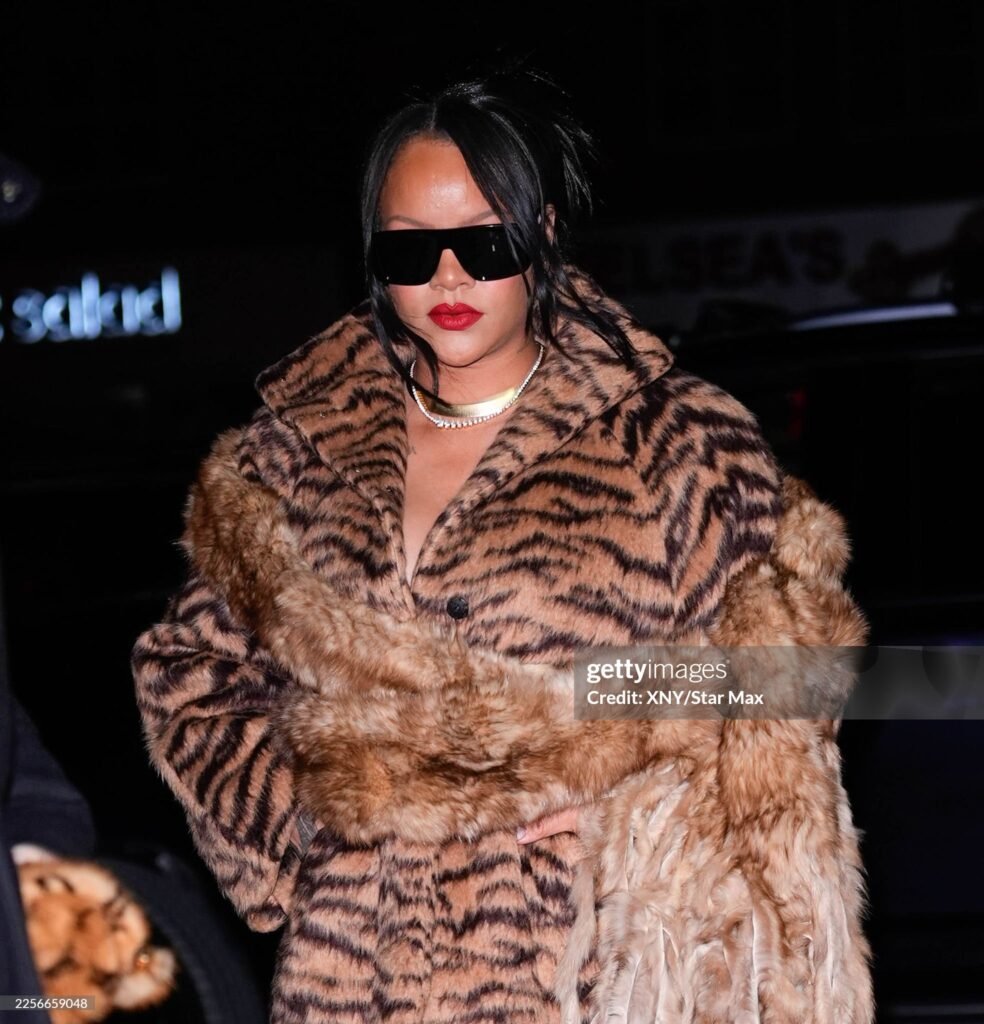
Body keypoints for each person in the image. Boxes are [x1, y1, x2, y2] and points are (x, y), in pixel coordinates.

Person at [132, 71, 873, 1024]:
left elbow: (793, 678)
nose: (448, 278)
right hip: (357, 976)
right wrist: (310, 826)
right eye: (411, 250)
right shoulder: (294, 452)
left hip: (590, 966)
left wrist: (633, 808)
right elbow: (189, 674)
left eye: (483, 244)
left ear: (542, 236)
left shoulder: (673, 440)